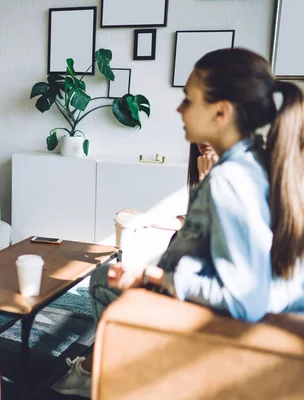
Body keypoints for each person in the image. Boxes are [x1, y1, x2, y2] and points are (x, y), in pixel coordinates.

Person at [52, 47, 304, 398]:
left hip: (216, 323)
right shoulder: (262, 162)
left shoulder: (229, 179)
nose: (178, 108)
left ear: (221, 111)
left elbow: (246, 299)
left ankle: (109, 374)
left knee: (102, 282)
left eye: (188, 100)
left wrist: (154, 277)